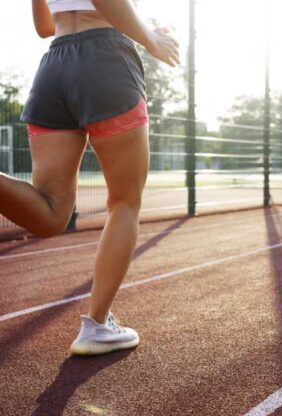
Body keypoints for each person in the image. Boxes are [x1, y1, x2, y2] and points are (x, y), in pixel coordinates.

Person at [0, 0, 179, 356]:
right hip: (106, 59)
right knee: (125, 201)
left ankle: (100, 324)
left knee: (51, 215)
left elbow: (44, 26)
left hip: (54, 65)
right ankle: (97, 326)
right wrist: (151, 38)